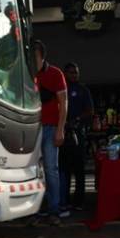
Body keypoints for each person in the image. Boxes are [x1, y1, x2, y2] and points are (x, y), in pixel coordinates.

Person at [32, 39, 67, 226]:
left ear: (42, 56)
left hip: (50, 127)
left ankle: (54, 210)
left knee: (51, 170)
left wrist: (60, 129)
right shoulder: (26, 73)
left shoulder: (55, 74)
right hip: (31, 129)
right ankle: (35, 211)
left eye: (34, 56)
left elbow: (64, 102)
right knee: (34, 172)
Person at [59, 62, 94, 216]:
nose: (75, 75)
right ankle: (64, 201)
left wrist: (77, 120)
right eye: (71, 72)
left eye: (76, 72)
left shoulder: (83, 90)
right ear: (65, 73)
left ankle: (79, 201)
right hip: (63, 132)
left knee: (79, 169)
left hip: (78, 133)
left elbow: (90, 111)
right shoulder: (61, 90)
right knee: (64, 169)